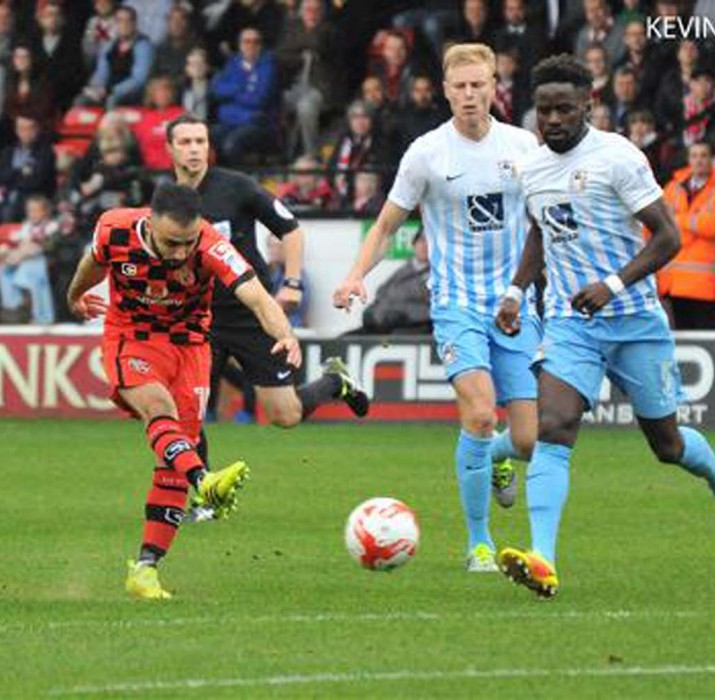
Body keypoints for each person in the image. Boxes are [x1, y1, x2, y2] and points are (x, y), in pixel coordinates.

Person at [495, 54, 715, 599]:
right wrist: (517, 290)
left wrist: (612, 285)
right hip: (572, 322)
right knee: (554, 425)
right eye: (544, 109)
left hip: (636, 320)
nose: (552, 120)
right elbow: (540, 233)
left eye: (564, 108)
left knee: (666, 445)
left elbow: (668, 236)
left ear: (588, 105)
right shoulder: (532, 167)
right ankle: (542, 558)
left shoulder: (619, 157)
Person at [333, 43, 541, 573]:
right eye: (460, 86)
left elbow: (548, 219)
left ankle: (494, 459)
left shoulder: (524, 146)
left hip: (515, 304)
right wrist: (357, 274)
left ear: (495, 86)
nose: (470, 95)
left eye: (479, 85)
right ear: (446, 90)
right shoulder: (426, 153)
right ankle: (479, 544)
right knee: (477, 411)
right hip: (455, 304)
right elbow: (386, 225)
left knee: (526, 438)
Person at [65, 183, 301, 599]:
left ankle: (146, 569)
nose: (180, 253)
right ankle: (205, 480)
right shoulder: (114, 229)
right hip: (131, 339)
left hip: (190, 348)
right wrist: (75, 295)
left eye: (187, 242)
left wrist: (287, 336)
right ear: (150, 221)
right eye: (172, 242)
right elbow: (91, 263)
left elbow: (258, 297)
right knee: (159, 410)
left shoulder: (210, 243)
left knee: (174, 453)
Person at [166, 114, 368, 464]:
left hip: (251, 314)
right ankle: (206, 493)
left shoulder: (237, 186)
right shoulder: (164, 199)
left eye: (201, 141)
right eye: (185, 142)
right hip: (198, 319)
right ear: (170, 149)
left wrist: (291, 282)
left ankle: (334, 383)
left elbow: (290, 229)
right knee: (186, 411)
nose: (195, 149)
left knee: (284, 415)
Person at [659, 141, 715, 329]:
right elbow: (658, 224)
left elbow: (711, 227)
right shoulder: (673, 187)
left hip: (707, 285)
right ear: (688, 160)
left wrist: (679, 220)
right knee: (685, 341)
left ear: (711, 160)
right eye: (695, 155)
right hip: (674, 282)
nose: (699, 160)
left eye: (704, 155)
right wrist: (694, 223)